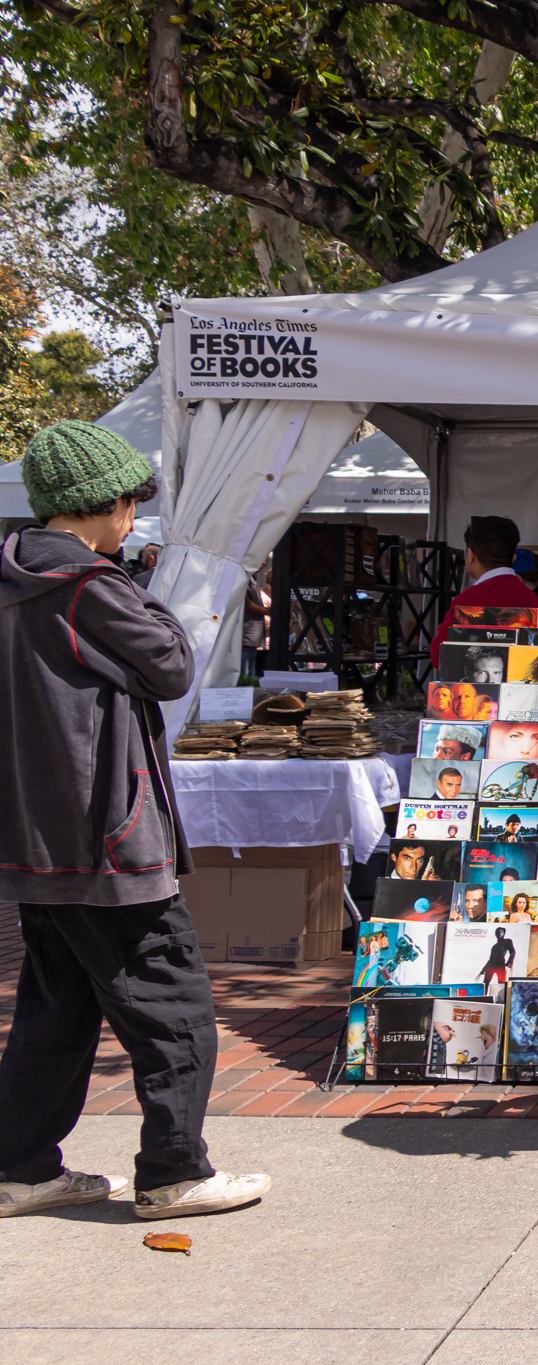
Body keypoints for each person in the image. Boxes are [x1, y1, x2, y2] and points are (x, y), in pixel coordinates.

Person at [0, 420, 270, 1221]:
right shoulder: (91, 586)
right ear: (103, 502)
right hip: (107, 834)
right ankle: (173, 1170)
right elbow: (171, 662)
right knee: (173, 1003)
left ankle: (18, 1165)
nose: (132, 521)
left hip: (34, 833)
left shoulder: (13, 583)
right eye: (129, 505)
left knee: (56, 1007)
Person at [430, 516, 538, 667]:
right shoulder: (533, 600)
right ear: (514, 557)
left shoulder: (468, 600)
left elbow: (438, 656)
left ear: (470, 555)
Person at [241, 565, 271, 679]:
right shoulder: (243, 576)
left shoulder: (252, 577)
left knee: (250, 676)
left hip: (253, 637)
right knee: (244, 678)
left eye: (266, 562)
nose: (263, 564)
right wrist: (270, 612)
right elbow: (246, 604)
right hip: (246, 635)